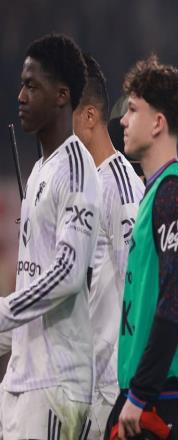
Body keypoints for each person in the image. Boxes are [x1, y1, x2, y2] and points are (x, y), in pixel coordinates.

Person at [104, 55, 178, 440]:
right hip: (150, 395)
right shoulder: (155, 195)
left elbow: (174, 299)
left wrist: (140, 392)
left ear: (157, 123)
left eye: (133, 109)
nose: (123, 120)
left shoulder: (175, 193)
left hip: (168, 401)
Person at [0, 33, 100, 438]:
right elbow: (33, 277)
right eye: (21, 85)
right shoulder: (41, 169)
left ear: (62, 96)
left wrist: (3, 311)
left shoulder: (75, 167)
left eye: (31, 86)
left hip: (56, 383)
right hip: (22, 377)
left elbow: (68, 272)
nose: (21, 96)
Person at [73, 53, 145, 439]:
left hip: (106, 391)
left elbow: (137, 285)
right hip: (74, 385)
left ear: (88, 116)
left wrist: (129, 388)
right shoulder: (78, 183)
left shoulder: (120, 184)